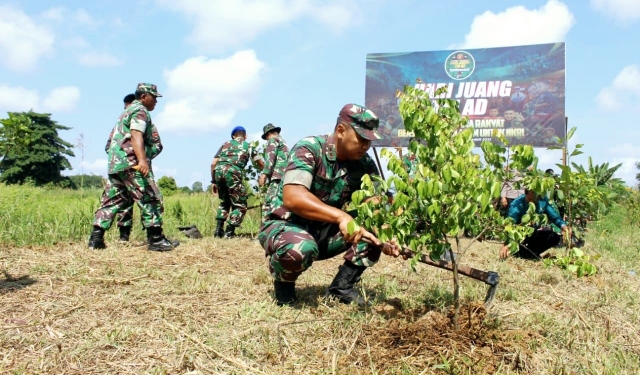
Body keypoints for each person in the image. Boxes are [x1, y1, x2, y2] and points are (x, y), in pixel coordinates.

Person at [258, 103, 402, 307]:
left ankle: (341, 287)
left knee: (370, 225)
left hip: (323, 231)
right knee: (300, 248)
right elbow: (293, 197)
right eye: (361, 138)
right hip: (286, 226)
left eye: (369, 141)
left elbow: (374, 207)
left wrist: (387, 235)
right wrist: (341, 217)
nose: (365, 146)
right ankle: (284, 286)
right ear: (341, 130)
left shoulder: (364, 163)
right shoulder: (309, 148)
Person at [88, 83, 178, 252]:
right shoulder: (140, 111)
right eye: (154, 97)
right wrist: (142, 160)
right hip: (132, 164)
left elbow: (110, 143)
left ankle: (96, 238)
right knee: (150, 197)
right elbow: (136, 134)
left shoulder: (124, 113)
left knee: (111, 201)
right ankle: (156, 239)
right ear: (144, 97)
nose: (156, 102)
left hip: (116, 165)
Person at [211, 126, 264, 238]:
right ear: (245, 136)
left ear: (233, 136)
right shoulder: (249, 146)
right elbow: (260, 163)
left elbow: (213, 163)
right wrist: (265, 172)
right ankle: (229, 233)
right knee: (240, 204)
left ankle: (218, 231)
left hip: (219, 172)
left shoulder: (225, 144)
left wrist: (214, 181)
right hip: (233, 172)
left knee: (225, 201)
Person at [499, 188, 570, 260]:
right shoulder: (516, 204)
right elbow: (510, 224)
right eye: (529, 198)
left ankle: (529, 254)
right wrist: (507, 242)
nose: (531, 201)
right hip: (520, 234)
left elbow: (554, 216)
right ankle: (524, 253)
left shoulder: (543, 200)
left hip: (534, 231)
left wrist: (564, 226)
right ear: (526, 194)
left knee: (554, 237)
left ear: (538, 197)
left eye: (534, 199)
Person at [103, 93, 137, 242]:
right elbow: (108, 147)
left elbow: (156, 145)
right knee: (117, 201)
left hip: (123, 166)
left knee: (124, 202)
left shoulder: (121, 124)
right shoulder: (120, 125)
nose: (126, 110)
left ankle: (123, 238)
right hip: (125, 167)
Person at [258, 123, 289, 222]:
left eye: (266, 137)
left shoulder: (273, 140)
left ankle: (265, 227)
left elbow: (270, 158)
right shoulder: (284, 142)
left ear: (269, 134)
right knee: (280, 203)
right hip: (285, 177)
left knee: (269, 202)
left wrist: (264, 174)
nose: (267, 140)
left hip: (277, 176)